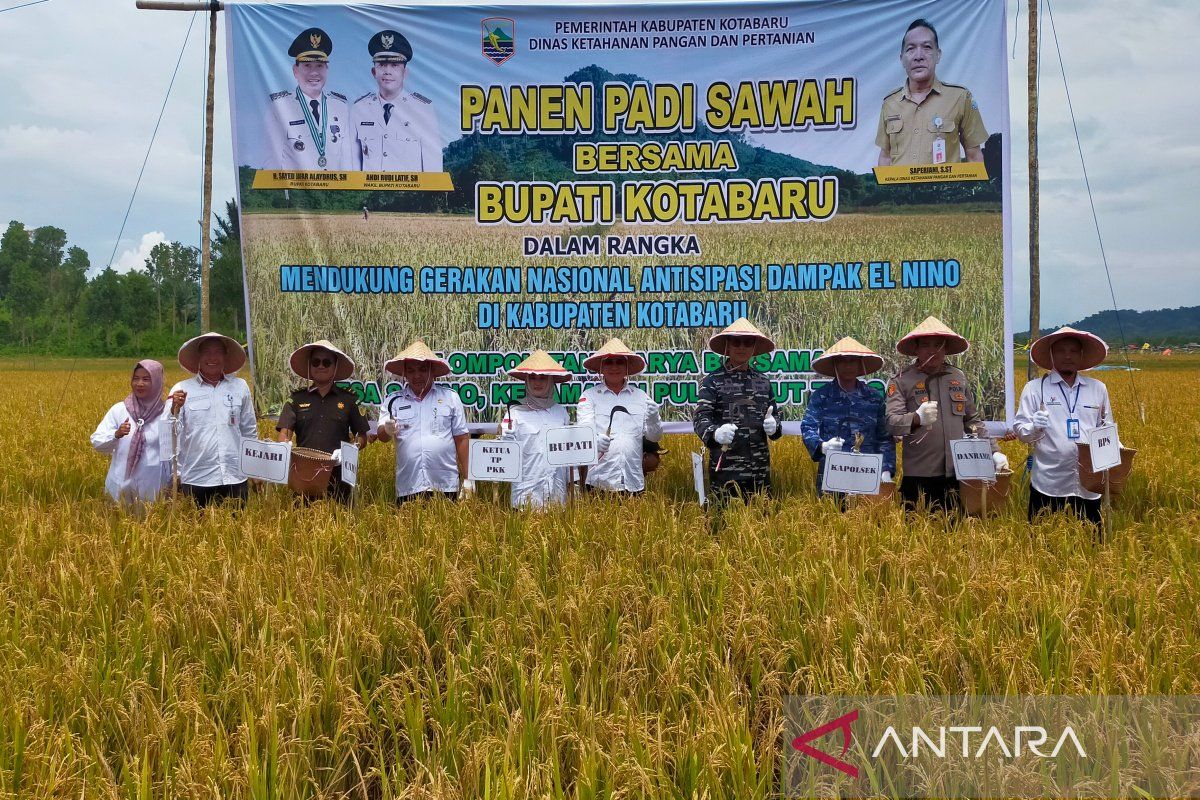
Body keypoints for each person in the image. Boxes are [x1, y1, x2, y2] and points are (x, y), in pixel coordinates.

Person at [885, 316, 1006, 512]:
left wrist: (995, 451)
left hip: (957, 472)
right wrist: (917, 418)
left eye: (938, 345)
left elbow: (972, 420)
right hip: (920, 474)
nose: (932, 350)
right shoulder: (901, 380)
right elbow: (892, 423)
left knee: (954, 533)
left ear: (946, 348)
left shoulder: (957, 377)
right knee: (917, 534)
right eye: (925, 345)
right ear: (916, 349)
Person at [1013, 327, 1113, 528]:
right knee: (1043, 545)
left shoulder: (1097, 389)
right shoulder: (1034, 389)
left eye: (1074, 351)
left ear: (1082, 354)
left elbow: (1106, 428)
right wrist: (1033, 426)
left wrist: (1115, 449)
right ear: (1051, 355)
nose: (1068, 356)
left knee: (1091, 546)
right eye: (1061, 351)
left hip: (1088, 484)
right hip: (1049, 483)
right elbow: (1020, 431)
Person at [876, 18, 988, 166]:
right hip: (902, 190)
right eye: (910, 49)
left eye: (927, 47)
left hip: (945, 190)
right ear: (902, 59)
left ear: (938, 55)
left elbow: (974, 156)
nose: (918, 56)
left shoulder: (960, 98)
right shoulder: (890, 103)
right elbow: (886, 157)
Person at [693, 318, 782, 501]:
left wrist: (775, 426)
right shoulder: (713, 381)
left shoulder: (763, 381)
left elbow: (776, 416)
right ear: (728, 346)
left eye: (747, 342)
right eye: (736, 341)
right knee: (724, 524)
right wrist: (715, 433)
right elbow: (700, 419)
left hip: (759, 471)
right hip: (726, 471)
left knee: (762, 523)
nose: (742, 347)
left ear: (754, 347)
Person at [167, 332, 257, 507]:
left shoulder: (240, 387)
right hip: (197, 476)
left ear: (225, 356)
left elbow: (249, 430)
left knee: (236, 531)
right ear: (198, 357)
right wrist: (173, 410)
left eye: (217, 352)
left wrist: (253, 468)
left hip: (235, 475)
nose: (212, 358)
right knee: (197, 531)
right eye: (207, 352)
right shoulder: (181, 390)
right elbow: (170, 433)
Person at [376, 339, 471, 503]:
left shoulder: (450, 398)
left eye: (422, 369)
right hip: (409, 485)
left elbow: (462, 439)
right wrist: (387, 429)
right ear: (405, 373)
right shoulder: (394, 401)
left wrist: (469, 478)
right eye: (411, 371)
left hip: (445, 484)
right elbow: (382, 436)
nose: (417, 375)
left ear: (432, 371)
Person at [275, 339, 369, 502]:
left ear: (335, 367)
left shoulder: (349, 399)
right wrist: (284, 445)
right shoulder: (296, 399)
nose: (321, 366)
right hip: (304, 475)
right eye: (316, 362)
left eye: (327, 362)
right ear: (310, 367)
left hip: (338, 475)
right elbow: (285, 431)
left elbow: (362, 435)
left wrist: (350, 450)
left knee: (340, 523)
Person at [801, 337, 896, 499]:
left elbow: (884, 437)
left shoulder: (873, 397)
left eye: (852, 361)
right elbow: (808, 427)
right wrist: (822, 446)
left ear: (860, 365)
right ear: (834, 365)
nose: (847, 366)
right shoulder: (822, 396)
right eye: (842, 362)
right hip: (833, 472)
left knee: (867, 522)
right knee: (831, 520)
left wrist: (886, 470)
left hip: (867, 471)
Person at [577, 338, 662, 495]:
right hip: (599, 482)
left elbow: (654, 437)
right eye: (609, 362)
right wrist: (594, 440)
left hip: (633, 481)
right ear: (602, 367)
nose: (614, 367)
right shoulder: (589, 396)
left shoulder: (641, 396)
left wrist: (653, 420)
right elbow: (584, 430)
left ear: (627, 367)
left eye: (619, 362)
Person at [351, 30, 444, 172]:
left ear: (405, 72)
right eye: (382, 65)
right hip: (370, 193)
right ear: (374, 72)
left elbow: (433, 166)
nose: (387, 71)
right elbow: (353, 165)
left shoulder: (423, 109)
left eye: (394, 65)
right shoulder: (359, 109)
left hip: (409, 194)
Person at [266, 27, 354, 170]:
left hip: (335, 190)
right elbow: (273, 162)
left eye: (319, 66)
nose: (314, 73)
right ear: (295, 70)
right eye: (307, 65)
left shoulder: (341, 107)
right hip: (298, 190)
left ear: (327, 70)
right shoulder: (279, 107)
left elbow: (347, 161)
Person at [496, 350, 572, 510]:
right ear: (526, 380)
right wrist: (505, 442)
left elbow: (568, 456)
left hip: (557, 498)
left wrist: (574, 487)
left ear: (551, 380)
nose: (538, 382)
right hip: (525, 497)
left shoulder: (561, 412)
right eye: (533, 377)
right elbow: (501, 456)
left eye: (543, 377)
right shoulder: (513, 412)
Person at [90, 359, 170, 504]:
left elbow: (171, 452)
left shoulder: (165, 414)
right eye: (136, 378)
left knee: (150, 524)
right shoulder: (120, 410)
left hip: (153, 485)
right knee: (118, 523)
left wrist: (174, 481)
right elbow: (97, 442)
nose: (140, 383)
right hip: (119, 481)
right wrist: (116, 435)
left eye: (146, 379)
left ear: (157, 382)